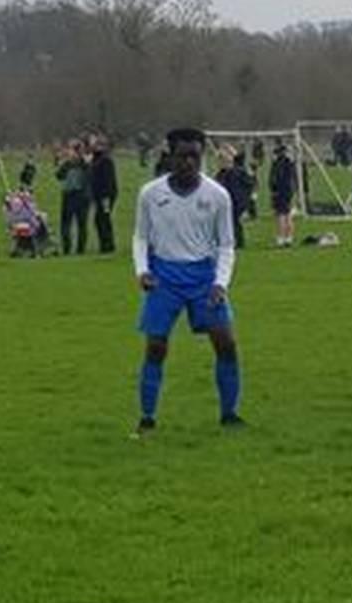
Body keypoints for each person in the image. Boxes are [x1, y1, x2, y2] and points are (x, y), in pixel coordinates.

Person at [131, 128, 246, 436]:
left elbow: (226, 244)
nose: (189, 162)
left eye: (195, 155)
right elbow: (141, 237)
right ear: (170, 156)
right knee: (156, 346)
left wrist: (221, 283)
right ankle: (147, 418)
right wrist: (142, 271)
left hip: (203, 277)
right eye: (183, 155)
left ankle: (230, 414)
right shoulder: (151, 194)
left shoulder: (217, 195)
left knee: (226, 343)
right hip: (164, 276)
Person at [214, 150, 255, 249]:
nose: (221, 164)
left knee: (234, 221)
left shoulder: (238, 172)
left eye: (224, 161)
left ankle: (237, 242)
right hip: (226, 201)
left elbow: (249, 183)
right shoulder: (220, 174)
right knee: (230, 222)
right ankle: (233, 241)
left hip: (236, 201)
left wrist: (245, 197)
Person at [55, 140, 91, 255]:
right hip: (68, 195)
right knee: (66, 223)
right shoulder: (67, 164)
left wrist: (81, 161)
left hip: (81, 195)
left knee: (81, 224)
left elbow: (89, 175)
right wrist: (65, 162)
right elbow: (59, 176)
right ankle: (67, 248)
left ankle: (80, 249)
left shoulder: (84, 163)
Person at [90, 136, 119, 254]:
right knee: (100, 219)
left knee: (103, 219)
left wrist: (106, 197)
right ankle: (105, 244)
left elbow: (108, 180)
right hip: (98, 195)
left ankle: (108, 245)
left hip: (105, 196)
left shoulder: (106, 160)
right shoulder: (96, 159)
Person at [268, 143, 298, 247]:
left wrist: (273, 190)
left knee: (280, 215)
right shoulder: (290, 163)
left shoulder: (277, 164)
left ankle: (281, 237)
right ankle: (289, 237)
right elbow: (294, 178)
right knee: (288, 215)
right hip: (288, 191)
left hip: (280, 191)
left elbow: (273, 179)